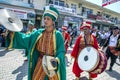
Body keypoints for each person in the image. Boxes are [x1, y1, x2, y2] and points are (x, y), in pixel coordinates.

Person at [6, 6, 66, 80]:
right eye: (44, 18)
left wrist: (57, 60)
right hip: (40, 63)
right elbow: (25, 39)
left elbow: (61, 51)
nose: (45, 20)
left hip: (51, 65)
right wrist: (13, 31)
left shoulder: (58, 35)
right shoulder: (38, 33)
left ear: (53, 21)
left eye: (48, 19)